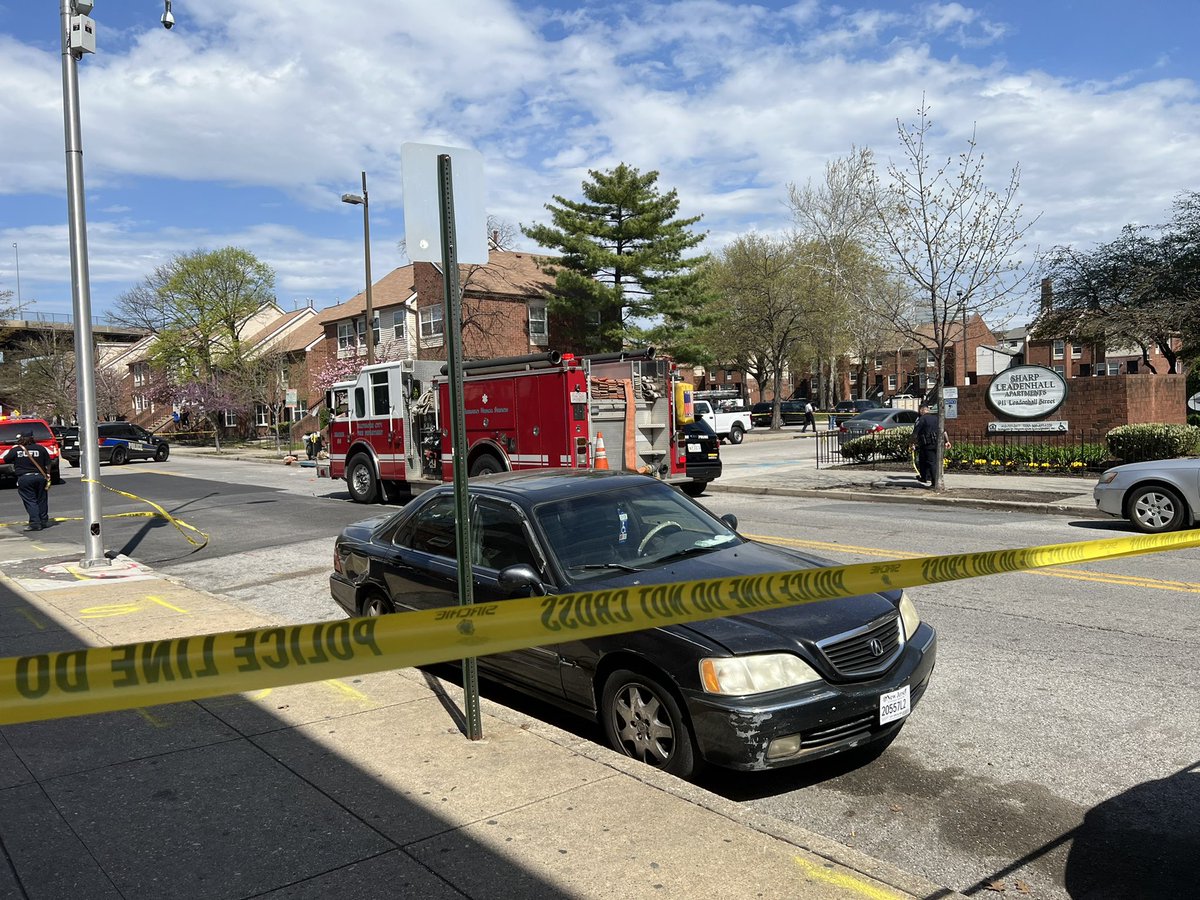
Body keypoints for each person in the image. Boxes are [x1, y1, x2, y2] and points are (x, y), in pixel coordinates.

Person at [3, 434, 51, 531]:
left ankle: (35, 523)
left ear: (20, 439)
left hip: (25, 478)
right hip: (40, 477)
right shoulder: (40, 448)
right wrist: (48, 474)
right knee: (42, 499)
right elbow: (48, 463)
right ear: (32, 438)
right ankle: (43, 520)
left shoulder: (16, 450)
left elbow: (6, 459)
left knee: (30, 501)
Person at [912, 404, 951, 486]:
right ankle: (924, 477)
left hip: (927, 444)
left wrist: (912, 443)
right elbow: (944, 430)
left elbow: (915, 433)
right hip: (937, 443)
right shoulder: (937, 418)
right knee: (925, 460)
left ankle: (934, 482)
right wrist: (947, 441)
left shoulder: (922, 419)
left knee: (931, 462)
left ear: (921, 410)